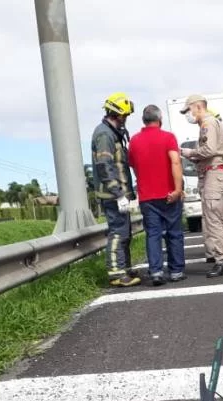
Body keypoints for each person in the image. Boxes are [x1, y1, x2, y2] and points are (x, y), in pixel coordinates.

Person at [180, 94, 223, 278]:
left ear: (198, 106)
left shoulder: (207, 124)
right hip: (222, 174)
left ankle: (221, 260)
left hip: (213, 175)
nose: (187, 115)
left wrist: (190, 152)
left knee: (213, 221)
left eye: (188, 110)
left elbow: (208, 150)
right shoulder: (218, 124)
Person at [128, 104, 187, 286]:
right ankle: (176, 271)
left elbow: (134, 166)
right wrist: (178, 189)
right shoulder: (168, 137)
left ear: (143, 121)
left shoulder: (134, 141)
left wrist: (144, 183)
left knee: (152, 234)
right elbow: (175, 162)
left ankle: (156, 272)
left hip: (147, 196)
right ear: (160, 120)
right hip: (168, 194)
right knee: (174, 233)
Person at [91, 92, 141, 287]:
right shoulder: (104, 134)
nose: (126, 119)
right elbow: (104, 166)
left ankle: (125, 268)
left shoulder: (114, 133)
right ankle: (116, 273)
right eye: (124, 116)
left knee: (125, 231)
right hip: (112, 194)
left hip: (121, 193)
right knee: (118, 232)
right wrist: (118, 193)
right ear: (117, 113)